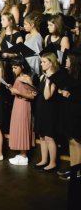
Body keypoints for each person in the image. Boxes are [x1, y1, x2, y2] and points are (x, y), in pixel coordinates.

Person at [7, 57, 36, 166]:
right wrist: (11, 88)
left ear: (22, 67)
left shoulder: (27, 78)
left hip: (24, 105)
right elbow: (16, 92)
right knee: (18, 127)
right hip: (17, 104)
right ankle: (21, 154)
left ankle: (24, 156)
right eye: (12, 67)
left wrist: (19, 92)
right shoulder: (18, 77)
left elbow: (33, 95)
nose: (13, 70)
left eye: (15, 67)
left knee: (23, 127)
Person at [34, 52, 60, 171]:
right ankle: (44, 160)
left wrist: (48, 81)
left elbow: (47, 96)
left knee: (49, 137)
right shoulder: (43, 75)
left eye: (44, 62)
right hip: (41, 107)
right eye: (41, 62)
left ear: (51, 62)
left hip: (49, 109)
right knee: (42, 135)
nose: (41, 64)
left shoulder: (54, 77)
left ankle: (52, 162)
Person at [58, 51, 81, 179]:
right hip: (68, 111)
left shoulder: (78, 77)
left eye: (67, 59)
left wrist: (69, 94)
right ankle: (73, 167)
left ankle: (77, 170)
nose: (65, 61)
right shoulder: (68, 75)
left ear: (74, 62)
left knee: (77, 142)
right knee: (71, 141)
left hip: (76, 113)